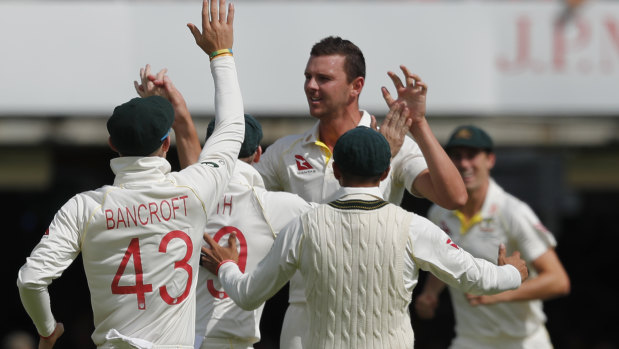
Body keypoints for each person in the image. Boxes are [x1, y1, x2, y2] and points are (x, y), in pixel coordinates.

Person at [16, 0, 243, 347]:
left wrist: (48, 332)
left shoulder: (84, 207)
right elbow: (230, 127)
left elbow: (31, 281)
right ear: (166, 144)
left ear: (111, 143)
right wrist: (220, 53)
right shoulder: (195, 189)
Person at [200, 126, 528, 349]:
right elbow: (478, 278)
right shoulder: (413, 227)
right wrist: (513, 271)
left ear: (337, 172)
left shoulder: (304, 226)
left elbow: (247, 295)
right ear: (386, 173)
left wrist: (228, 265)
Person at [251, 35, 468, 348]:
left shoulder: (393, 141)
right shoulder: (285, 151)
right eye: (308, 77)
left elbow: (454, 198)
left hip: (378, 320)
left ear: (356, 86)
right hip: (305, 317)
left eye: (323, 78)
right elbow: (236, 199)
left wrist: (418, 124)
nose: (311, 86)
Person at [414, 125, 571, 349]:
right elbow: (447, 258)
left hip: (523, 341)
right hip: (470, 340)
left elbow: (558, 280)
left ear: (490, 160)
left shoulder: (513, 212)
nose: (464, 164)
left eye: (472, 156)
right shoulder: (439, 213)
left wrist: (497, 294)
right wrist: (430, 294)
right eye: (457, 157)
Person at [193, 114, 316, 349]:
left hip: (175, 339)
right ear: (258, 154)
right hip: (233, 342)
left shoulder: (180, 197)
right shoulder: (273, 205)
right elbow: (341, 217)